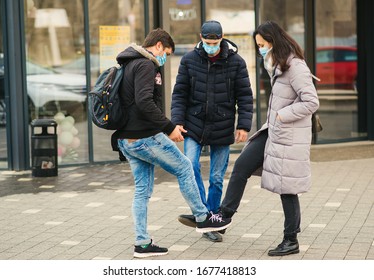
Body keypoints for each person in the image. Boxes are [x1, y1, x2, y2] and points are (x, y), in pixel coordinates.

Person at [112, 28, 232, 258]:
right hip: (146, 137)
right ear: (158, 45)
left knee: (142, 191)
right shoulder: (146, 65)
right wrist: (169, 128)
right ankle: (202, 217)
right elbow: (145, 102)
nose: (164, 58)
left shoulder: (128, 64)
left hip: (127, 140)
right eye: (166, 52)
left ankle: (142, 243)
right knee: (185, 167)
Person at [218, 21, 320, 256]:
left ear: (274, 42)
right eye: (258, 45)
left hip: (289, 135)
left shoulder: (295, 66)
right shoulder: (280, 65)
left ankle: (291, 239)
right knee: (242, 165)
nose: (260, 49)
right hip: (273, 131)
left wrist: (282, 115)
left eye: (262, 45)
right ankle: (224, 217)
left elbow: (311, 101)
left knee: (287, 187)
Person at [171, 20, 253, 242]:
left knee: (217, 177)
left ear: (222, 38)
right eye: (207, 42)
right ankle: (203, 214)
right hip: (193, 124)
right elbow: (179, 94)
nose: (211, 46)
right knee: (190, 166)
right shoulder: (189, 60)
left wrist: (243, 125)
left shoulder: (236, 62)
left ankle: (212, 217)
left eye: (215, 42)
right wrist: (176, 122)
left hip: (222, 124)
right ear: (201, 38)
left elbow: (244, 96)